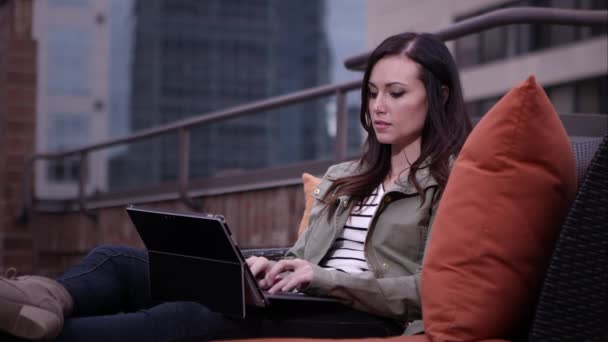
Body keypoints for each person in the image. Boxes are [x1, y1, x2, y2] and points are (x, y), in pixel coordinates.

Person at [0, 32, 472, 341]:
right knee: (116, 259)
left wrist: (321, 278)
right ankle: (37, 304)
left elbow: (431, 289)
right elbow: (305, 256)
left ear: (439, 96)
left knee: (186, 317)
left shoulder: (451, 184)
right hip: (300, 297)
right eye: (372, 92)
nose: (378, 106)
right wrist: (271, 264)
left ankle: (27, 325)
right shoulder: (344, 177)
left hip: (364, 316)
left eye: (396, 93)